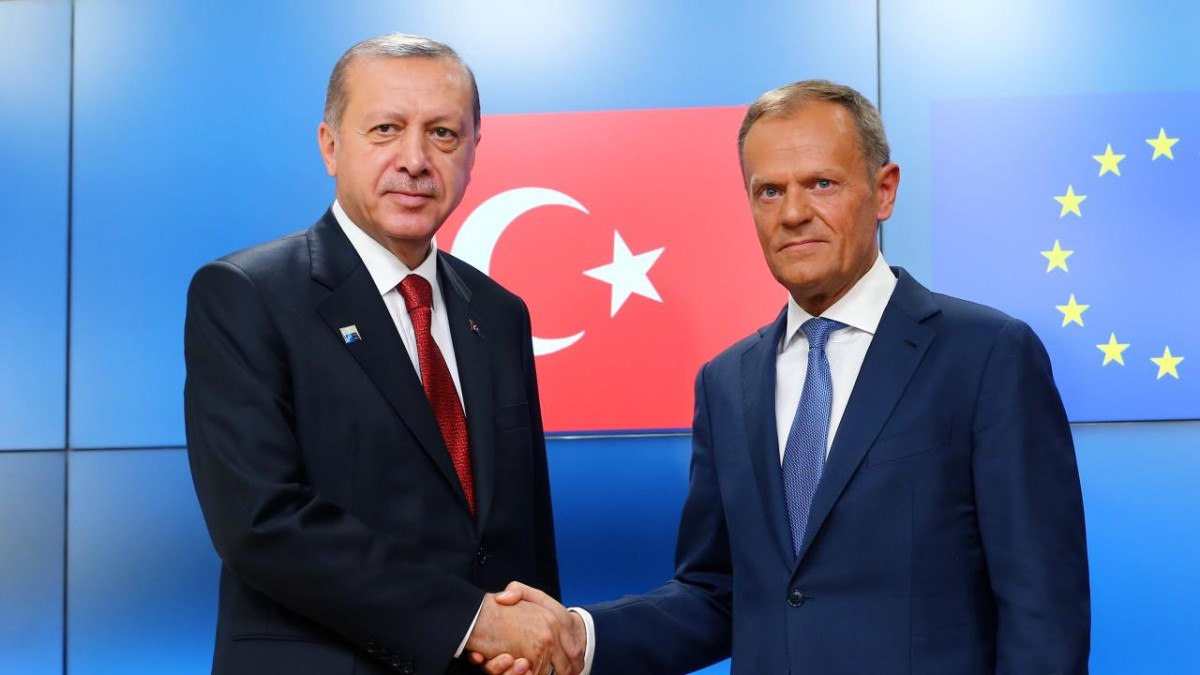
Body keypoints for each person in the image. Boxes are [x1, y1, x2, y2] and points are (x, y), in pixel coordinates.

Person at [484, 79, 1090, 674]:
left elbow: (1043, 614)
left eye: (821, 184)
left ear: (884, 191)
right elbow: (715, 593)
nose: (794, 213)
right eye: (769, 191)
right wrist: (581, 637)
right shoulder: (726, 382)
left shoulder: (987, 355)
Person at [184, 33, 582, 675]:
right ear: (330, 146)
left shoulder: (499, 312)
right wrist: (472, 621)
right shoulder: (247, 294)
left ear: (474, 151)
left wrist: (539, 647)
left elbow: (526, 533)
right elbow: (261, 521)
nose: (415, 160)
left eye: (443, 134)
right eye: (386, 129)